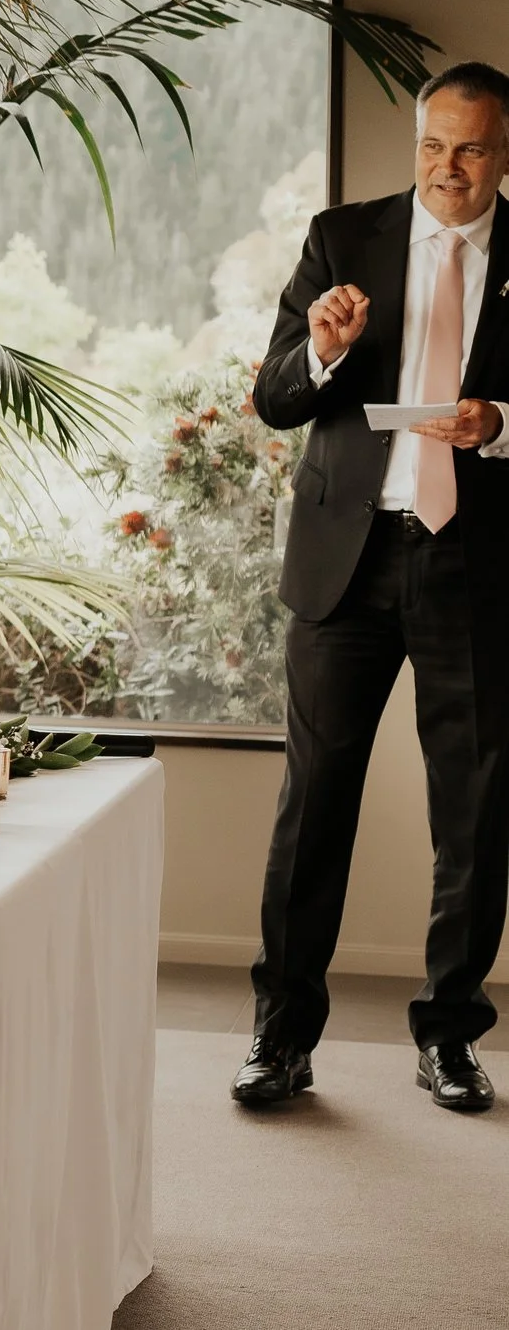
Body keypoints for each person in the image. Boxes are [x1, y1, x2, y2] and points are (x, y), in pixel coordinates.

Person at [241, 61, 509, 1113]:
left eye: (472, 148)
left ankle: (448, 1037)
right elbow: (272, 401)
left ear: (502, 152)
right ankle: (280, 1038)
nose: (448, 167)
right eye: (434, 145)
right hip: (346, 560)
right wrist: (319, 347)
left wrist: (501, 426)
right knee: (313, 807)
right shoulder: (339, 239)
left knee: (476, 816)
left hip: (472, 564)